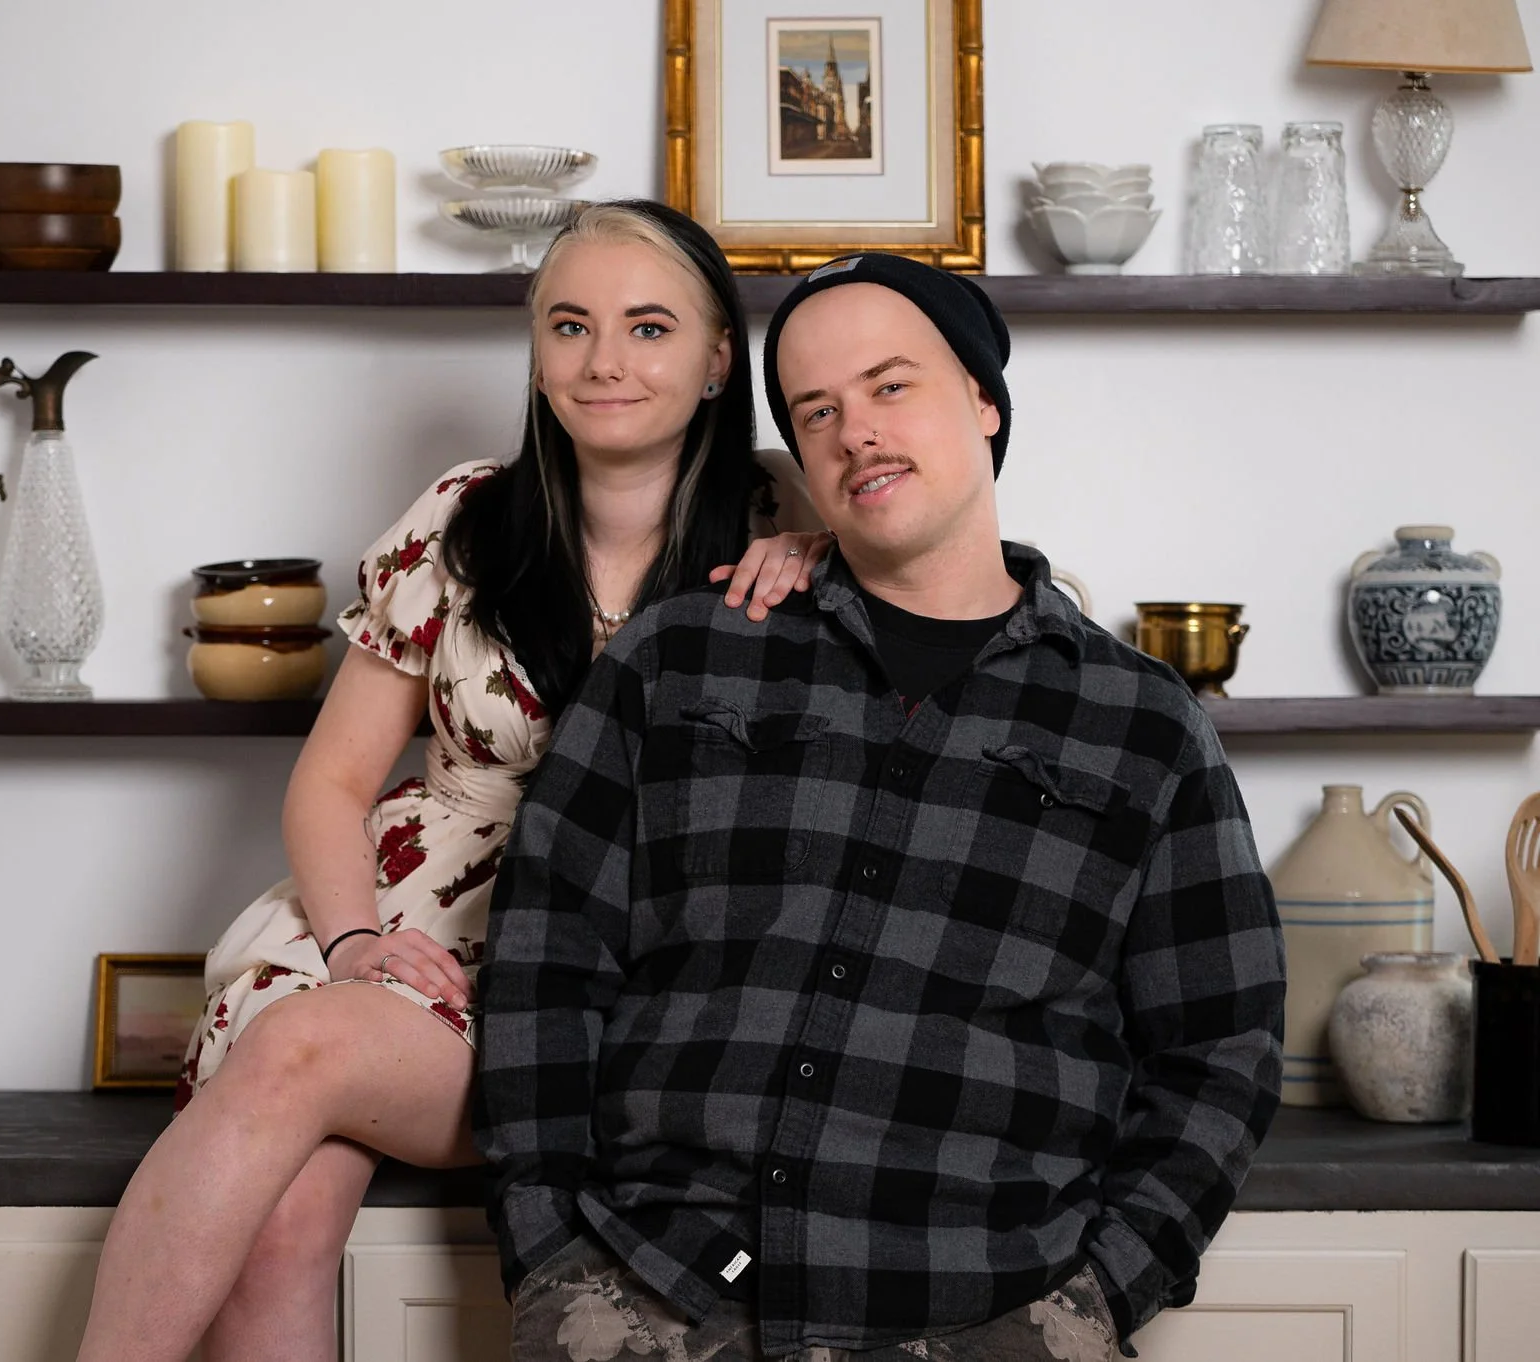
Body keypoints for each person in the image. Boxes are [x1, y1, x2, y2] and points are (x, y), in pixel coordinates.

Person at [475, 252, 1288, 1362]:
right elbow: (546, 955)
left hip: (989, 1309)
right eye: (816, 410)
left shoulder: (1141, 724)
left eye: (890, 385)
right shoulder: (680, 658)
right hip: (651, 1294)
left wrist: (1097, 1294)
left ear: (984, 400)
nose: (854, 430)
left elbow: (1220, 1045)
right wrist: (549, 1256)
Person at [73, 199, 829, 1362]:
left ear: (718, 358)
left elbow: (975, 588)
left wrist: (826, 548)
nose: (604, 361)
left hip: (610, 979)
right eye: (569, 326)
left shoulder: (798, 516)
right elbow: (331, 781)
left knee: (300, 1052)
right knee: (282, 1222)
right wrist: (350, 945)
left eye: (648, 327)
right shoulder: (467, 517)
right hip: (398, 928)